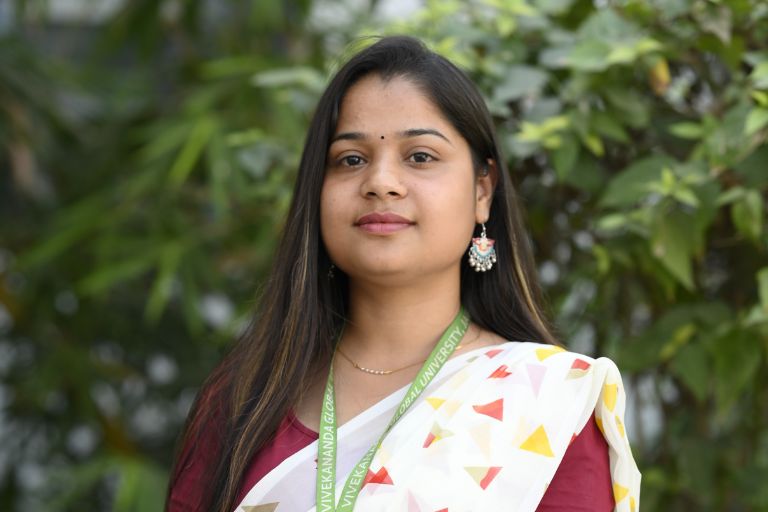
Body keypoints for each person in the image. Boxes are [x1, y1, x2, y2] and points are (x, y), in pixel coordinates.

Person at [166, 35, 641, 512]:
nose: (381, 183)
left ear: (482, 192)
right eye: (351, 160)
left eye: (420, 157)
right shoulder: (245, 398)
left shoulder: (544, 405)